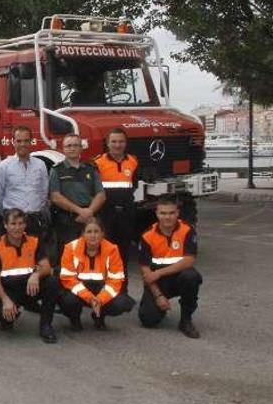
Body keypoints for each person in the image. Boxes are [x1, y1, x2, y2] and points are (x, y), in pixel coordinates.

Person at [0, 209, 59, 343]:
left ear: (25, 225)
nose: (17, 228)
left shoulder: (34, 241)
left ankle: (46, 325)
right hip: (9, 291)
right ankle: (6, 315)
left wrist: (36, 275)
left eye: (20, 223)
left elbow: (47, 267)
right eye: (13, 224)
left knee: (52, 282)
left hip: (30, 288)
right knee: (6, 319)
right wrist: (5, 300)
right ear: (5, 225)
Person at [138, 197, 203, 338]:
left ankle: (186, 320)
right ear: (156, 214)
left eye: (171, 213)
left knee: (191, 276)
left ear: (178, 213)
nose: (167, 217)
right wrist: (158, 296)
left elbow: (189, 261)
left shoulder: (187, 230)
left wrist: (159, 273)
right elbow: (146, 271)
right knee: (148, 320)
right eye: (163, 213)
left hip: (179, 278)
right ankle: (159, 306)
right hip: (158, 284)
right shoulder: (147, 236)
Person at [58, 218, 135, 330]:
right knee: (67, 300)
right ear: (83, 234)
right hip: (78, 289)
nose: (93, 235)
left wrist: (100, 299)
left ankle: (99, 316)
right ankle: (74, 318)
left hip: (101, 288)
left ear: (102, 234)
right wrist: (90, 298)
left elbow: (115, 281)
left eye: (96, 231)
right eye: (89, 232)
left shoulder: (112, 249)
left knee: (122, 303)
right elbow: (68, 279)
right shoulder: (70, 248)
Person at [93, 128, 138, 277]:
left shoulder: (133, 161)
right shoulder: (97, 163)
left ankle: (122, 291)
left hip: (126, 214)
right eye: (114, 141)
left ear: (125, 143)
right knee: (105, 252)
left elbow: (134, 184)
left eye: (121, 141)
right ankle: (106, 292)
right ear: (107, 143)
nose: (117, 145)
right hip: (106, 215)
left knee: (123, 253)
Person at [0, 126, 49, 239]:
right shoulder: (4, 166)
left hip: (34, 221)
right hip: (13, 222)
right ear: (13, 142)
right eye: (19, 141)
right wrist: (7, 217)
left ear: (31, 142)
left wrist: (36, 210)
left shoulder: (40, 165)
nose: (23, 144)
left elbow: (44, 192)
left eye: (26, 140)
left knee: (35, 255)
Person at [49, 133, 106, 246]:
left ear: (81, 148)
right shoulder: (56, 170)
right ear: (63, 149)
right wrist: (80, 211)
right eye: (68, 146)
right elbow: (55, 197)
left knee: (91, 252)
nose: (72, 148)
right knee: (68, 255)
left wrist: (89, 212)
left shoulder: (91, 169)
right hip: (67, 221)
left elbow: (101, 195)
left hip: (90, 219)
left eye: (75, 145)